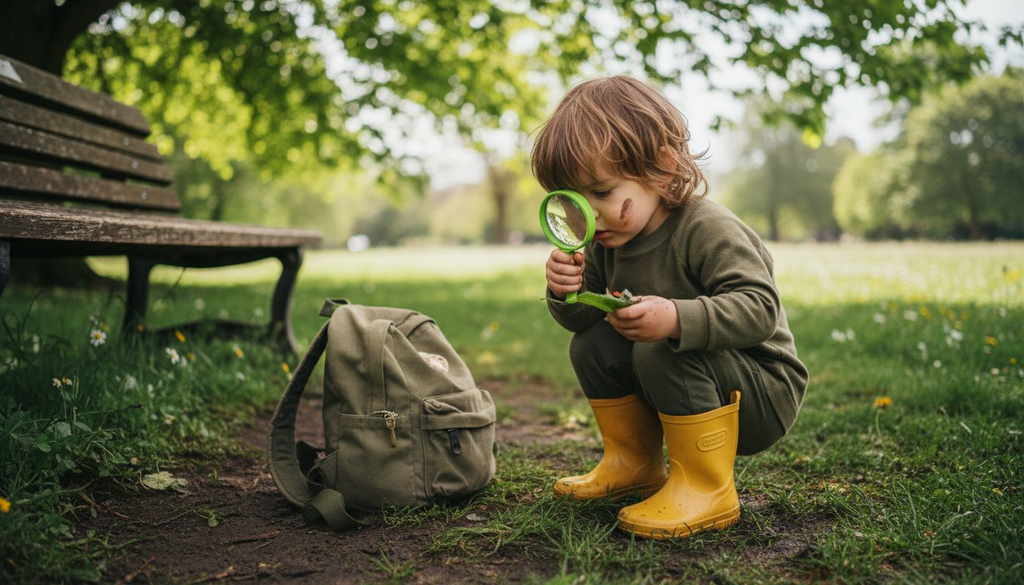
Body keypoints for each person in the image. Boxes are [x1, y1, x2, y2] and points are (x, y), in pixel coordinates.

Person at [533, 76, 808, 539]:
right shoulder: (605, 240)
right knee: (590, 345)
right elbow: (583, 320)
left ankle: (707, 487)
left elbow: (760, 308)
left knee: (660, 347)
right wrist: (565, 291)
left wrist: (677, 319)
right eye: (573, 200)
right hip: (678, 381)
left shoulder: (707, 228)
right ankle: (634, 464)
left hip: (759, 393)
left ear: (661, 168)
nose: (588, 215)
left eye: (601, 192)